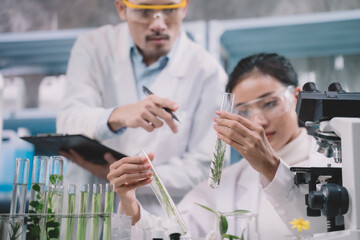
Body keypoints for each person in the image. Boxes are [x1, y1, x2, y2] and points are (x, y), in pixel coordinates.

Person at [107, 53, 331, 238]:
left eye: (270, 103)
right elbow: (177, 233)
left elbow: (330, 230)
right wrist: (129, 204)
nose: (258, 121)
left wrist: (271, 168)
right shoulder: (228, 181)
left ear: (297, 97)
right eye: (244, 111)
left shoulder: (335, 161)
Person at [56, 0, 227, 214]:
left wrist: (136, 175)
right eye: (145, 11)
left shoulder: (207, 72)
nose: (158, 24)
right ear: (121, 8)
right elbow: (68, 120)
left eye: (169, 10)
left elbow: (210, 168)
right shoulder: (92, 47)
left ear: (184, 8)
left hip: (159, 217)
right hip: (87, 210)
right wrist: (117, 116)